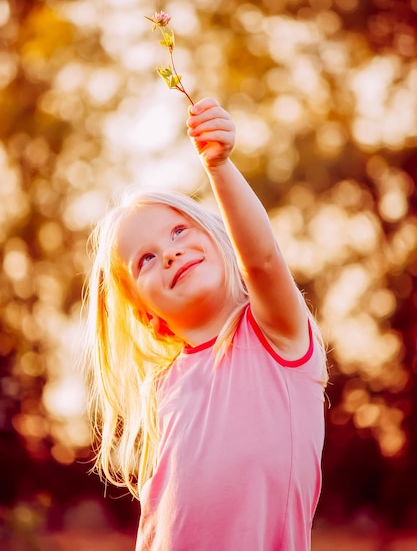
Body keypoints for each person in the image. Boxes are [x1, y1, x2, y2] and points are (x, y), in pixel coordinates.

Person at [83, 97, 328, 551]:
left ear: (222, 239)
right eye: (147, 259)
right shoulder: (165, 387)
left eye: (179, 232)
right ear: (148, 316)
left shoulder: (276, 336)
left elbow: (266, 261)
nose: (170, 253)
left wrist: (218, 166)